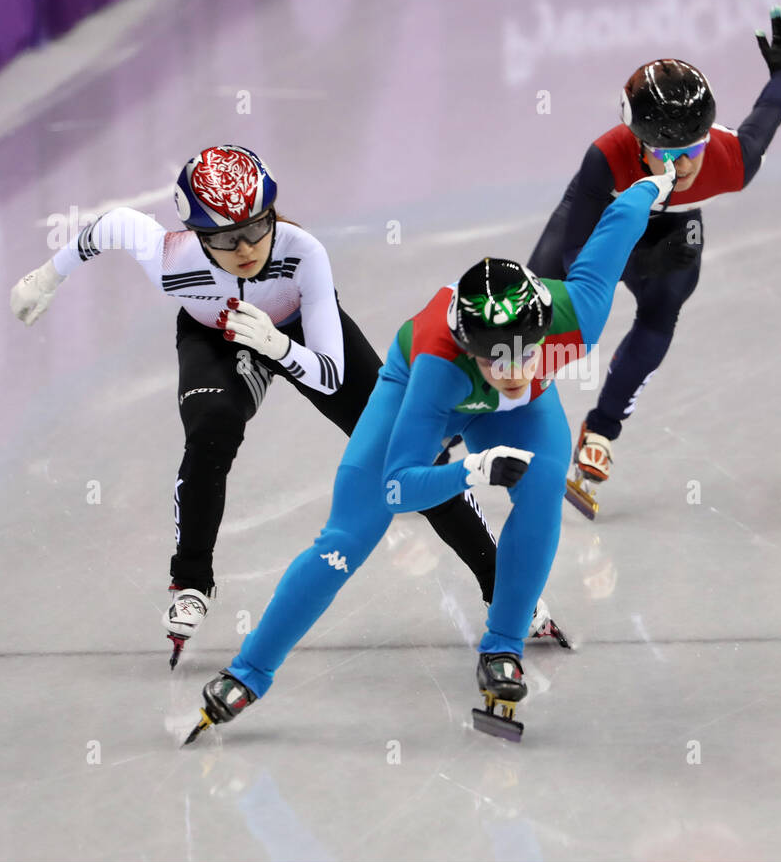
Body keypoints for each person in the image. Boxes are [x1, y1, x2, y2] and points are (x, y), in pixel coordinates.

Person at [183, 158, 679, 744]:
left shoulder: (579, 315)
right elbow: (398, 486)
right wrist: (472, 468)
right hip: (426, 394)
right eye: (499, 359)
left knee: (543, 489)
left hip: (514, 418)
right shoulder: (438, 367)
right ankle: (249, 671)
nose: (516, 371)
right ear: (471, 349)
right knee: (346, 540)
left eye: (529, 354)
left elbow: (618, 222)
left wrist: (656, 180)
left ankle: (503, 648)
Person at [8, 144, 500, 667]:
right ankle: (191, 580)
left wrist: (278, 346)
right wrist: (46, 277)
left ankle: (503, 585)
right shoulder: (169, 258)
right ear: (198, 235)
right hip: (216, 339)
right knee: (210, 430)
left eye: (256, 226)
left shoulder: (302, 252)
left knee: (408, 455)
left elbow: (330, 374)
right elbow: (107, 226)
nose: (245, 247)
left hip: (298, 335)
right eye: (224, 237)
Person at [527, 7, 781, 517]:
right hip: (606, 214)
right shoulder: (605, 157)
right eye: (665, 151)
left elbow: (765, 120)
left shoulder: (730, 162)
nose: (684, 164)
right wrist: (641, 258)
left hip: (674, 222)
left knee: (661, 312)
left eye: (694, 146)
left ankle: (602, 430)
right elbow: (578, 261)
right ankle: (457, 421)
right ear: (637, 142)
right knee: (533, 311)